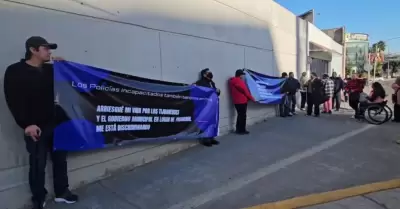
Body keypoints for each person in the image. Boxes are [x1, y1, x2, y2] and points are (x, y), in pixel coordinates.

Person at [3, 36, 78, 209]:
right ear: (33, 50)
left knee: (60, 160)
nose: (49, 52)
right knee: (38, 163)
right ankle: (39, 197)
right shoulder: (15, 71)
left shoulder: (52, 70)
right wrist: (26, 124)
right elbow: (13, 99)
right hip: (35, 126)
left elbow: (71, 84)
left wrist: (64, 66)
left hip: (57, 124)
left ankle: (62, 192)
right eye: (46, 48)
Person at [194, 68, 221, 146]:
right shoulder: (200, 83)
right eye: (208, 72)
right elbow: (199, 93)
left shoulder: (211, 82)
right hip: (205, 105)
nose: (210, 73)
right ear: (204, 74)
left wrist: (218, 91)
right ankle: (205, 139)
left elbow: (215, 92)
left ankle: (211, 138)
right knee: (205, 122)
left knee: (212, 122)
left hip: (213, 105)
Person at [229, 69, 255, 134]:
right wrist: (252, 99)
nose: (243, 76)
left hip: (236, 101)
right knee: (242, 116)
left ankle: (238, 129)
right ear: (240, 75)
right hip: (242, 101)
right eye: (243, 75)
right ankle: (242, 130)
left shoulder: (232, 81)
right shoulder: (239, 81)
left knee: (240, 115)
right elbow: (245, 91)